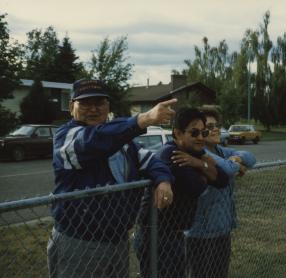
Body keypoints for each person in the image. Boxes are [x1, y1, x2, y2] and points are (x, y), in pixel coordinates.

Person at [47, 79, 176, 278]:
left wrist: (163, 180)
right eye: (85, 103)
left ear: (108, 107)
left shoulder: (122, 141)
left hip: (118, 240)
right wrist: (142, 119)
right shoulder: (66, 136)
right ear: (72, 107)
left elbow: (150, 160)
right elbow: (94, 142)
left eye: (99, 103)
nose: (93, 109)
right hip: (80, 241)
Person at [134, 107, 229, 278]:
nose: (201, 138)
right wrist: (206, 168)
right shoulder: (171, 154)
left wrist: (199, 165)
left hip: (175, 235)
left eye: (203, 132)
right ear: (177, 133)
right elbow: (196, 187)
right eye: (194, 132)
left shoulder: (195, 154)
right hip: (156, 236)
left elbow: (222, 180)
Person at [182, 107, 256, 278]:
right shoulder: (201, 153)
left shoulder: (221, 151)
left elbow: (251, 158)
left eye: (216, 125)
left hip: (222, 228)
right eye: (209, 126)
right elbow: (228, 169)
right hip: (201, 232)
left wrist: (237, 158)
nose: (215, 129)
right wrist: (237, 165)